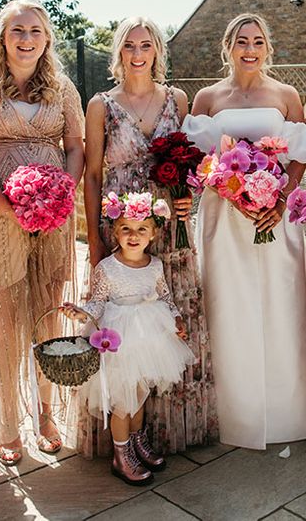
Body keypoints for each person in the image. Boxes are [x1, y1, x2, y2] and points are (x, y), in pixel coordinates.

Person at [182, 12, 306, 449]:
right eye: (241, 41)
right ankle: (234, 415)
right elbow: (196, 160)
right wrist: (225, 184)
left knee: (283, 306)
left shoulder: (285, 95)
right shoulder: (206, 98)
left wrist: (279, 199)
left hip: (274, 218)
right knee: (229, 306)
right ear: (227, 46)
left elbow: (301, 154)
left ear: (267, 47)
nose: (249, 49)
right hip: (223, 219)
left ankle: (289, 414)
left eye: (257, 41)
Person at [80, 16, 217, 456]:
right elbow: (93, 174)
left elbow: (194, 164)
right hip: (120, 226)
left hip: (170, 228)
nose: (138, 55)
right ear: (118, 52)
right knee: (123, 325)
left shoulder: (178, 98)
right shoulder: (101, 104)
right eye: (129, 46)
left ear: (158, 50)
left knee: (170, 322)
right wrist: (96, 240)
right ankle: (121, 438)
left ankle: (164, 431)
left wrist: (188, 199)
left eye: (146, 46)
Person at [0, 0, 85, 465]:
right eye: (17, 31)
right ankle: (8, 424)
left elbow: (75, 146)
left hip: (54, 215)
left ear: (47, 37)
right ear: (3, 37)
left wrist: (60, 195)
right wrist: (9, 208)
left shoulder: (62, 86)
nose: (26, 39)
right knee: (7, 319)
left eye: (35, 31)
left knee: (48, 313)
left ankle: (47, 413)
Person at [63, 192, 194, 485]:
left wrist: (176, 320)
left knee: (141, 394)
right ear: (115, 232)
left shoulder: (155, 265)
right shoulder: (107, 268)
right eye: (126, 229)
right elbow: (97, 303)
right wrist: (81, 313)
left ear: (153, 234)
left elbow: (166, 297)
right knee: (123, 400)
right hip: (118, 338)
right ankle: (120, 456)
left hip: (149, 337)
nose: (133, 236)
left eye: (141, 229)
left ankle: (136, 443)